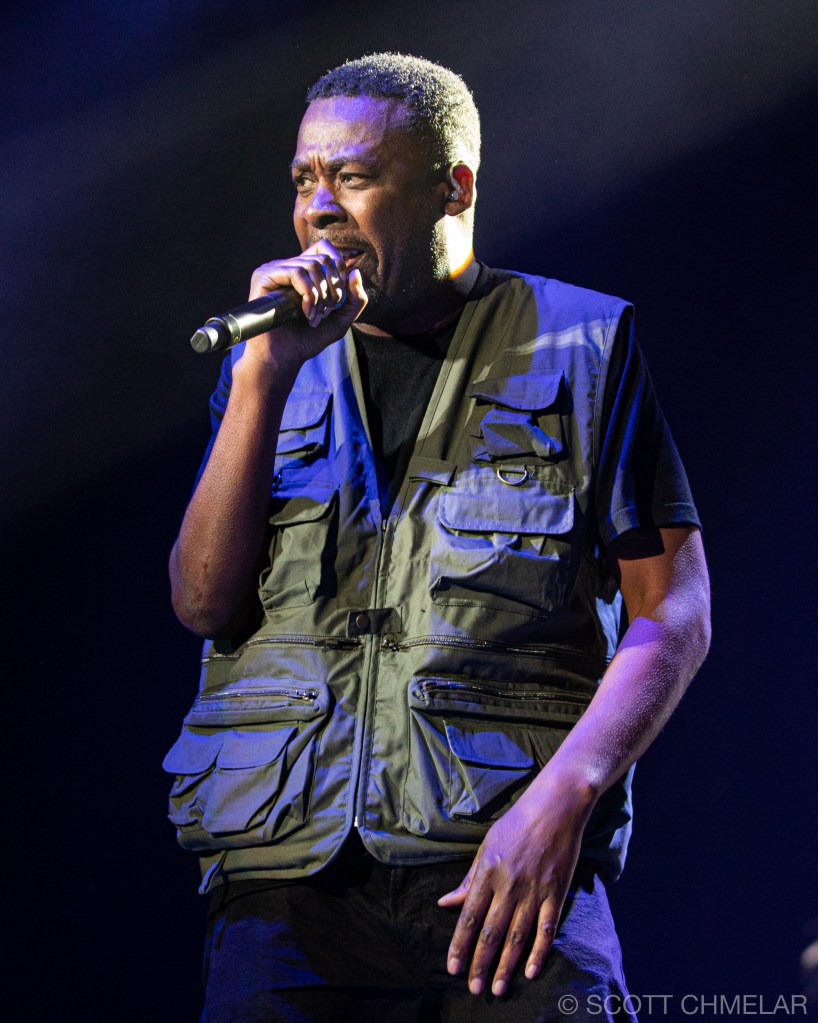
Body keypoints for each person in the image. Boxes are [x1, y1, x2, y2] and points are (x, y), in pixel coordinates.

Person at [164, 52, 711, 1022]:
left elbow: (671, 614)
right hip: (289, 890)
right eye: (303, 179)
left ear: (451, 187)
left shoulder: (581, 346)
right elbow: (202, 600)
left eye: (353, 176)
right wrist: (259, 378)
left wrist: (563, 799)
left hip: (505, 873)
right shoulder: (269, 366)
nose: (318, 208)